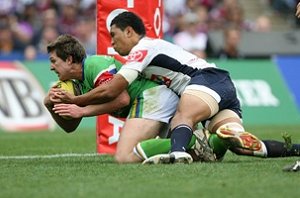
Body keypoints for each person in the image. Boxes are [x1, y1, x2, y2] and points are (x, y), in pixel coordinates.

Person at [52, 12, 276, 164]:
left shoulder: (143, 48)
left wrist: (76, 102)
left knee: (182, 118)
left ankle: (178, 153)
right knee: (239, 143)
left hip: (204, 81)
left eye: (114, 35)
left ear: (129, 31)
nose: (112, 42)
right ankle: (293, 149)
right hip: (220, 85)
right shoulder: (147, 50)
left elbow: (114, 89)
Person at [44, 34, 208, 163]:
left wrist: (82, 109)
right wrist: (49, 105)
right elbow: (70, 127)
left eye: (53, 61)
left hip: (154, 95)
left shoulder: (94, 65)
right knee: (192, 156)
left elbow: (122, 99)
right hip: (153, 99)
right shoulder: (75, 83)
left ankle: (194, 139)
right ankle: (209, 141)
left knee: (125, 156)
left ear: (69, 59)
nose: (51, 67)